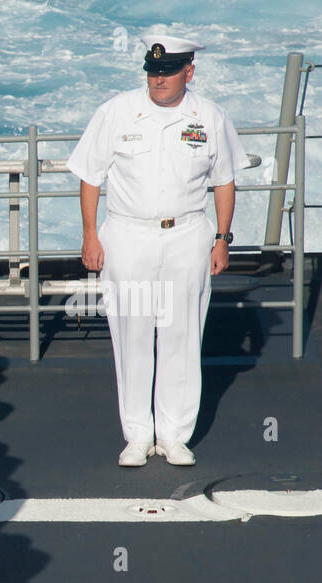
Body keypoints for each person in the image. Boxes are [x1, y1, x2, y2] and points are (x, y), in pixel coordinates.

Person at [67, 34, 247, 467]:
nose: (158, 79)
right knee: (131, 333)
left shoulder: (210, 116)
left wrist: (222, 238)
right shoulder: (116, 112)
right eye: (152, 71)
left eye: (167, 72)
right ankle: (136, 434)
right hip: (129, 235)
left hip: (188, 234)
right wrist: (90, 235)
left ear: (189, 71)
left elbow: (224, 180)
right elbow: (91, 177)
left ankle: (174, 435)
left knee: (181, 335)